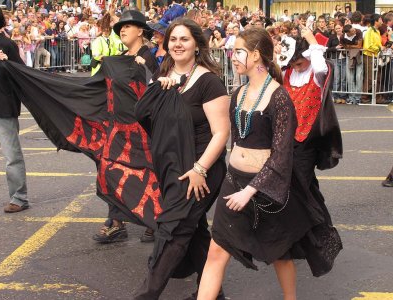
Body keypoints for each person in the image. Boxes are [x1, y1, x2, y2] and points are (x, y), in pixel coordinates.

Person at [198, 27, 343, 300]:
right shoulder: (238, 93)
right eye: (233, 52)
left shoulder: (280, 97)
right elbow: (236, 141)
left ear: (255, 55)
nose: (233, 57)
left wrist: (250, 190)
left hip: (265, 189)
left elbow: (281, 155)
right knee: (217, 251)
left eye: (238, 51)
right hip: (234, 184)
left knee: (280, 253)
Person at [134, 18, 230, 300]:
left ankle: (146, 295)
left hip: (202, 169)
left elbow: (222, 133)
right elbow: (145, 117)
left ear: (197, 45)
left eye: (184, 39)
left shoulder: (209, 82)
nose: (177, 44)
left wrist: (200, 168)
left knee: (173, 230)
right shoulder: (163, 77)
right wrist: (157, 90)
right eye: (173, 39)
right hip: (174, 169)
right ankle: (214, 293)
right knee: (195, 229)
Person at [92, 9, 158, 244]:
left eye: (128, 26)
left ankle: (155, 220)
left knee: (148, 173)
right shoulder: (118, 58)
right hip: (118, 129)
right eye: (120, 27)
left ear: (140, 31)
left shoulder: (147, 57)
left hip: (142, 130)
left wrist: (146, 69)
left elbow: (157, 89)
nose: (122, 30)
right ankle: (117, 222)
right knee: (108, 170)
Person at [0, 2, 29, 213]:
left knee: (11, 155)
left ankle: (19, 197)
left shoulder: (5, 44)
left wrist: (7, 63)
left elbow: (21, 73)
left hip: (4, 107)